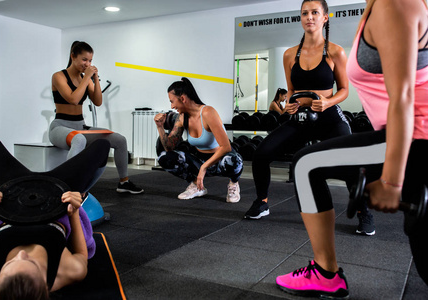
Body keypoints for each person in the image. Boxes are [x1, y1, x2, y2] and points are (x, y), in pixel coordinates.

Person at [275, 0, 428, 297]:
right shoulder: (382, 6)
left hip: (415, 140)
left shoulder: (395, 5)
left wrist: (392, 180)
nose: (309, 17)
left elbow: (404, 97)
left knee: (306, 165)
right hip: (403, 136)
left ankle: (325, 274)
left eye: (314, 12)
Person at [244, 0, 369, 231]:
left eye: (314, 12)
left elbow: (344, 90)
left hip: (329, 117)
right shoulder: (290, 54)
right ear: (300, 18)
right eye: (304, 13)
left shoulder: (335, 51)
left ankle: (363, 210)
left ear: (325, 17)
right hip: (300, 119)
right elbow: (291, 91)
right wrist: (290, 104)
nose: (309, 17)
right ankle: (261, 202)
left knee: (350, 161)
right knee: (261, 154)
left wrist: (328, 101)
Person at [0, 136, 111, 298]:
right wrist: (74, 210)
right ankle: (84, 191)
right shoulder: (68, 272)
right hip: (57, 195)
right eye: (31, 261)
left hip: (13, 192)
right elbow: (81, 254)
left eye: (10, 263)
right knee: (103, 146)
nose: (21, 254)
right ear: (45, 285)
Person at [49, 41, 143, 194]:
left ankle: (124, 183)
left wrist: (95, 78)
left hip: (80, 126)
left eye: (90, 60)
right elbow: (73, 99)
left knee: (119, 139)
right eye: (84, 59)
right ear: (73, 56)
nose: (87, 64)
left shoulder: (84, 78)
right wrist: (86, 78)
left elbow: (98, 101)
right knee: (79, 139)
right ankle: (67, 186)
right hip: (60, 127)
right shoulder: (59, 76)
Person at [155, 77, 243, 202]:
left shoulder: (208, 112)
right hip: (199, 159)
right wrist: (160, 127)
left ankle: (233, 184)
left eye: (172, 101)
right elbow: (169, 148)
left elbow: (226, 147)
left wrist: (203, 168)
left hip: (219, 159)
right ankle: (197, 186)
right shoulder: (182, 117)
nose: (172, 106)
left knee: (234, 160)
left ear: (183, 99)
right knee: (165, 157)